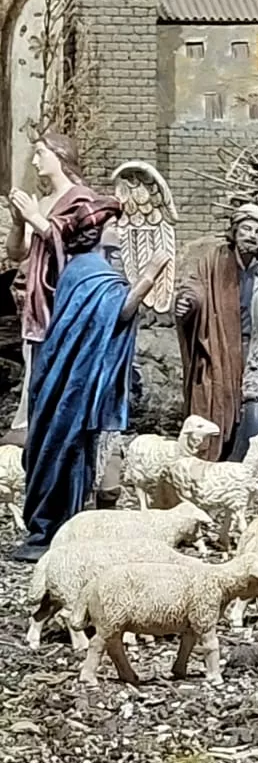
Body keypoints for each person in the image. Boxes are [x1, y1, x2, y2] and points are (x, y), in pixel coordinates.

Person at [11, 184, 166, 560]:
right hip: (72, 382)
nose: (118, 236)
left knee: (54, 448)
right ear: (96, 232)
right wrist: (148, 275)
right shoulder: (94, 271)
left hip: (56, 375)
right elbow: (121, 312)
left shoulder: (77, 268)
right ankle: (50, 529)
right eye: (114, 227)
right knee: (64, 449)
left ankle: (48, 527)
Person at [174, 204, 258, 462]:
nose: (251, 235)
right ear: (234, 231)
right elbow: (195, 288)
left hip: (256, 351)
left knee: (257, 411)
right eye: (246, 228)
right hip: (219, 349)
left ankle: (244, 467)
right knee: (215, 406)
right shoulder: (213, 261)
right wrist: (187, 303)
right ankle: (210, 467)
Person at [4, 134, 102, 444]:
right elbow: (17, 254)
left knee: (60, 361)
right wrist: (20, 222)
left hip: (64, 297)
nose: (34, 161)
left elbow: (77, 249)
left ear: (59, 156)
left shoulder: (82, 199)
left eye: (40, 154)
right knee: (35, 359)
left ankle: (57, 426)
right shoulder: (43, 202)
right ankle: (30, 421)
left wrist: (35, 218)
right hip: (36, 300)